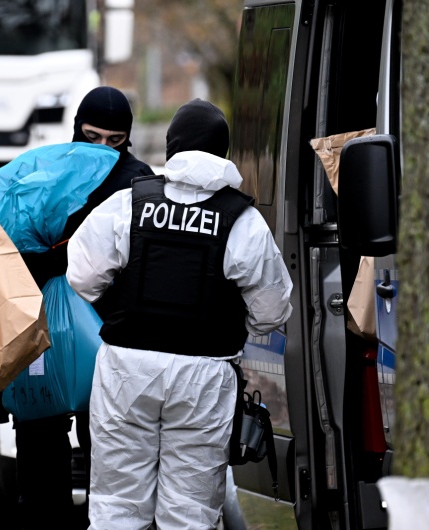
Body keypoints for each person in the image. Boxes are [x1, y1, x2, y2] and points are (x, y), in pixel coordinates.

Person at [66, 98, 293, 529]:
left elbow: (82, 276)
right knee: (189, 512)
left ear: (172, 148)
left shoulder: (129, 203)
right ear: (223, 153)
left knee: (116, 506)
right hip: (203, 376)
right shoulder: (242, 220)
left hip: (126, 370)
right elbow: (272, 310)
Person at [14, 86, 154, 530]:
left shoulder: (138, 180)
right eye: (92, 137)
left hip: (105, 336)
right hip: (51, 332)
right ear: (77, 128)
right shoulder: (51, 170)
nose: (102, 150)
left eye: (115, 141)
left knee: (105, 456)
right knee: (40, 451)